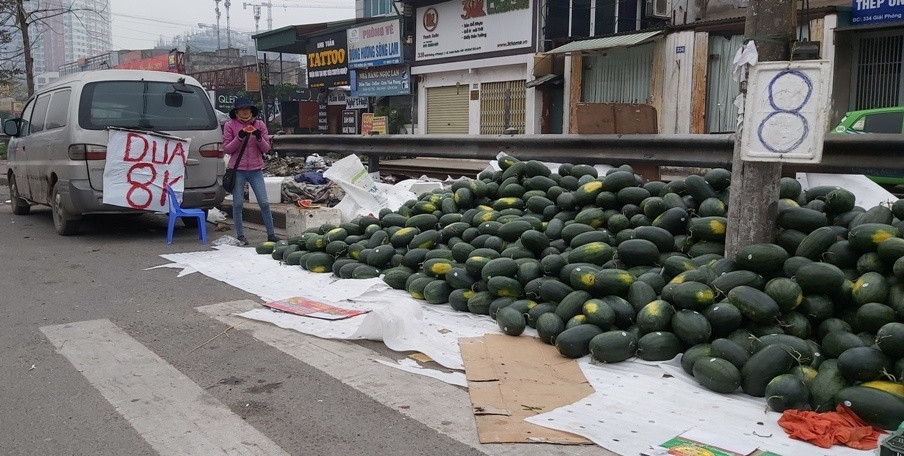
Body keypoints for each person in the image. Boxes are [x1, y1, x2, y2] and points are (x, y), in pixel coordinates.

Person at [223, 97, 278, 246]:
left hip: (255, 169)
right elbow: (227, 149)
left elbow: (266, 149)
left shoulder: (259, 124)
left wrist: (259, 137)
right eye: (241, 109)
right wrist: (240, 137)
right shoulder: (230, 125)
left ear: (251, 110)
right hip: (237, 169)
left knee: (264, 203)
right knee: (238, 203)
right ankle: (240, 235)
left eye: (247, 108)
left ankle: (271, 234)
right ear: (236, 111)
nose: (245, 111)